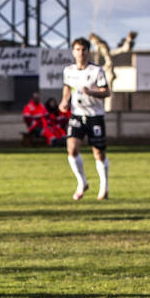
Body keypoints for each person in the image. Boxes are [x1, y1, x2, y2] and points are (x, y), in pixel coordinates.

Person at [59, 37, 111, 200]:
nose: (80, 53)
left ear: (88, 52)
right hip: (77, 114)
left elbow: (106, 92)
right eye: (77, 50)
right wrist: (64, 101)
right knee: (72, 149)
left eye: (83, 50)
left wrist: (92, 92)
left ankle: (104, 187)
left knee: (98, 153)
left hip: (95, 116)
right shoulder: (69, 71)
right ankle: (82, 182)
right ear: (73, 52)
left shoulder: (97, 71)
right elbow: (67, 88)